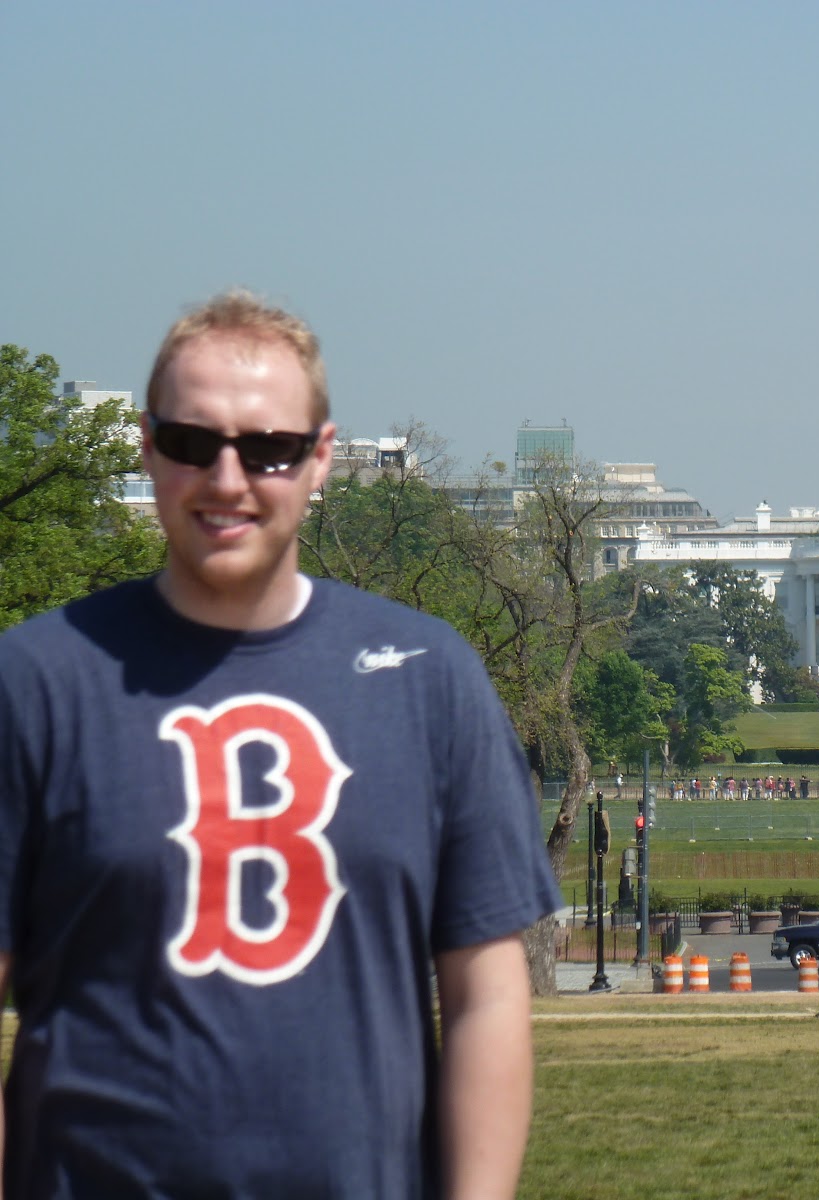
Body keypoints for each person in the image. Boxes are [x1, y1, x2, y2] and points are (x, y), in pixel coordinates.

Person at [0, 291, 561, 1197]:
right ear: (147, 446)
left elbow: (487, 996)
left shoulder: (432, 679)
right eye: (193, 442)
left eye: (268, 448)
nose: (228, 479)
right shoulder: (33, 682)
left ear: (320, 458)